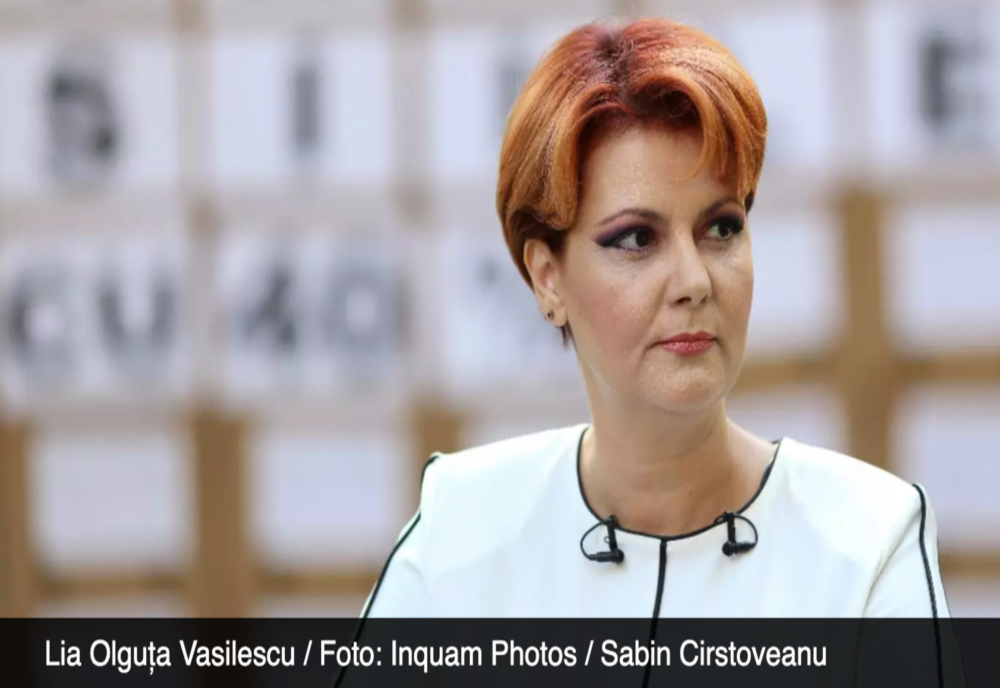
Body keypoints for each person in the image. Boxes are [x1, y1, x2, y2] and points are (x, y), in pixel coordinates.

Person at [363, 17, 952, 620]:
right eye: (637, 239)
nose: (694, 282)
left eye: (721, 228)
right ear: (547, 278)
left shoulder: (868, 540)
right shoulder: (460, 531)